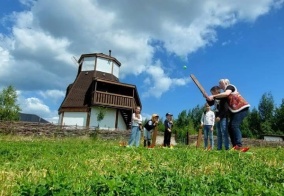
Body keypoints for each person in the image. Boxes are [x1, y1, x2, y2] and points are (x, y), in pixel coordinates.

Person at [207, 79, 250, 151]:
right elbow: (212, 102)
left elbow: (226, 94)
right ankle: (235, 146)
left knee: (234, 125)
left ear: (225, 83)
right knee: (230, 127)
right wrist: (207, 97)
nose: (219, 85)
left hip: (241, 108)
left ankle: (239, 145)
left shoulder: (230, 87)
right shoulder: (222, 94)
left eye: (220, 83)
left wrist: (213, 96)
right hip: (235, 111)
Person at [207, 86, 230, 150]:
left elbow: (226, 109)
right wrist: (207, 97)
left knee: (224, 132)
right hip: (217, 117)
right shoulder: (216, 98)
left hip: (223, 117)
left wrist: (220, 116)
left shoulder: (223, 97)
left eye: (212, 93)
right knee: (219, 133)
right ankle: (219, 148)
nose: (212, 95)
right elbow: (210, 103)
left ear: (216, 91)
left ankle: (227, 148)